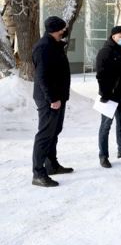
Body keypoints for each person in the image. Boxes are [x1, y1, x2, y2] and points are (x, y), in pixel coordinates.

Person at [31, 16, 73, 187]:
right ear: (56, 30)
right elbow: (42, 76)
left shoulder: (55, 45)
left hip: (58, 96)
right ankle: (38, 173)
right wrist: (52, 98)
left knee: (54, 131)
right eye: (62, 28)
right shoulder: (44, 47)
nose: (64, 31)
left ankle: (51, 165)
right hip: (49, 98)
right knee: (45, 134)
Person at [95, 25, 121, 168]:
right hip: (109, 96)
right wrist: (105, 93)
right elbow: (101, 75)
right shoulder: (105, 52)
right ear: (114, 37)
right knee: (105, 126)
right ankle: (103, 156)